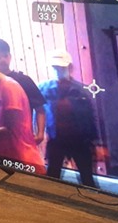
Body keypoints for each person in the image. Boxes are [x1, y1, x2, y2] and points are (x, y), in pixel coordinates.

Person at [38, 50, 100, 187]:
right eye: (55, 67)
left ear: (69, 67)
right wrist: (37, 133)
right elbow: (37, 112)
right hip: (56, 140)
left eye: (61, 67)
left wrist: (96, 142)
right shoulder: (43, 89)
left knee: (87, 179)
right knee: (52, 177)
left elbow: (91, 117)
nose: (58, 70)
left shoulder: (81, 90)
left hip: (80, 141)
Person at [0, 38, 46, 143]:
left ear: (10, 56)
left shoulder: (24, 80)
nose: (3, 60)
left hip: (24, 139)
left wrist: (40, 134)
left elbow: (40, 108)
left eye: (5, 55)